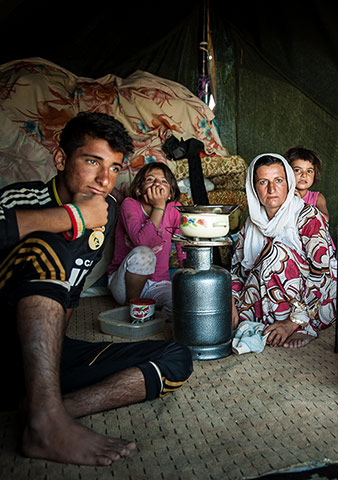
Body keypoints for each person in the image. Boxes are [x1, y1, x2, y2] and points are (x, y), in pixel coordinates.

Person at [0, 112, 193, 466]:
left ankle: (52, 408)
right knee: (48, 246)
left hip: (38, 361)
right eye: (92, 161)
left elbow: (69, 297)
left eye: (115, 167)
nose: (104, 180)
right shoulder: (20, 199)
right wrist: (73, 218)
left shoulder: (102, 221)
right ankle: (45, 426)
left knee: (177, 357)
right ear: (61, 159)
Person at [230, 153, 336, 348]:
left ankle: (298, 326)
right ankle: (266, 321)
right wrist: (231, 301)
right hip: (262, 289)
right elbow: (237, 269)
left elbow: (322, 274)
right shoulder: (251, 223)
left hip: (311, 298)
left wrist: (293, 321)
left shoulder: (307, 216)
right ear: (254, 187)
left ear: (289, 183)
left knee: (276, 253)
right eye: (263, 182)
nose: (272, 189)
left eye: (278, 180)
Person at [108, 162, 185, 318]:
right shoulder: (130, 205)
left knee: (183, 302)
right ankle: (131, 305)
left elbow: (182, 246)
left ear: (169, 193)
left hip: (158, 284)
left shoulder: (175, 209)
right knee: (144, 254)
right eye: (150, 179)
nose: (157, 183)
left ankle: (152, 316)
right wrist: (158, 207)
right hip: (124, 282)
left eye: (164, 181)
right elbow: (143, 243)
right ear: (138, 190)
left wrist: (189, 281)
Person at [283, 146, 329, 220]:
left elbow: (325, 219)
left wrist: (301, 204)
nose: (304, 175)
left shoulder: (317, 198)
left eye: (309, 171)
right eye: (297, 170)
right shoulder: (282, 196)